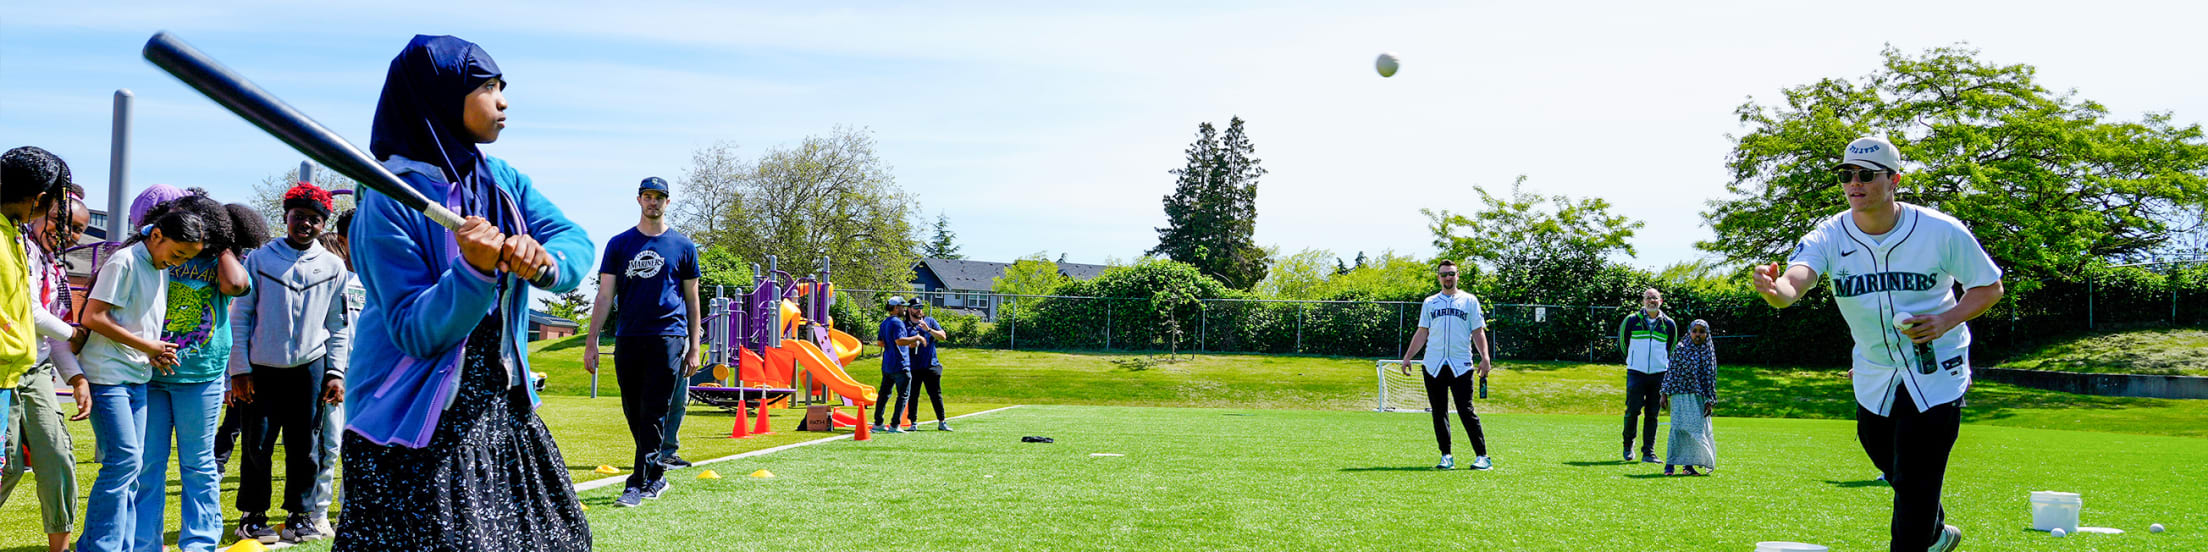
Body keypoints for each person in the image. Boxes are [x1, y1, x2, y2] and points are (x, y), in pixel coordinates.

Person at [337, 34, 593, 552]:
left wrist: (544, 261)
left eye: (503, 87)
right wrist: (475, 274)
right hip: (408, 431)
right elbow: (414, 329)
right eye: (488, 87)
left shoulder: (503, 181)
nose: (503, 101)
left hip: (500, 415)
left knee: (563, 539)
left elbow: (574, 240)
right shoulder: (388, 202)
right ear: (440, 96)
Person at [1753, 136, 2003, 552]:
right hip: (1874, 369)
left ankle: (1916, 538)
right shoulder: (1830, 234)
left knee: (1918, 476)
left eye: (1866, 175)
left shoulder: (1941, 231)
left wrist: (1945, 320)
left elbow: (1988, 287)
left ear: (1894, 180)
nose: (1855, 182)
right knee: (1889, 461)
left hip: (1937, 367)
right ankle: (1935, 532)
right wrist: (1776, 290)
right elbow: (1798, 277)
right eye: (1846, 174)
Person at [74, 207, 208, 552]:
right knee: (124, 462)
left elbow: (135, 321)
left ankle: (120, 546)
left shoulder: (159, 266)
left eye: (185, 259)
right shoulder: (124, 261)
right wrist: (148, 345)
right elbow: (93, 315)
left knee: (134, 469)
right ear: (157, 236)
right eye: (176, 254)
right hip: (108, 376)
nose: (176, 263)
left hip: (137, 376)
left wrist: (152, 352)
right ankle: (100, 548)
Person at [227, 182, 351, 544]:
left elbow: (337, 325)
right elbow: (241, 317)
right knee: (257, 444)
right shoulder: (260, 259)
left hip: (310, 367)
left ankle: (300, 515)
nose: (305, 224)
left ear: (323, 224)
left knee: (305, 446)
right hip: (262, 369)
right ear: (286, 217)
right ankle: (252, 516)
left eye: (314, 219)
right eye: (299, 217)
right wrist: (239, 369)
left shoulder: (333, 266)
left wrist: (335, 372)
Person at [138, 192, 255, 552]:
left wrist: (221, 245)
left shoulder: (219, 257)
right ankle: (144, 544)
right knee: (149, 465)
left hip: (200, 374)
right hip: (151, 374)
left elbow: (236, 285)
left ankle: (200, 543)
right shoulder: (156, 239)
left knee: (199, 464)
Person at [582, 176, 701, 509]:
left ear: (667, 202)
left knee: (653, 409)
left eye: (659, 197)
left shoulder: (683, 246)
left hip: (669, 336)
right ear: (638, 200)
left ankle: (637, 484)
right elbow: (605, 296)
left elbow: (692, 300)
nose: (653, 202)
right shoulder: (619, 244)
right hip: (629, 337)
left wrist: (694, 345)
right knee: (634, 409)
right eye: (648, 196)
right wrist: (591, 341)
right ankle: (657, 474)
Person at [0, 147, 92, 552]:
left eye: (77, 228)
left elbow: (34, 317)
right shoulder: (12, 237)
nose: (68, 232)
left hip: (29, 367)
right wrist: (73, 333)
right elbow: (31, 312)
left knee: (55, 454)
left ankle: (61, 547)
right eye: (59, 215)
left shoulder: (40, 255)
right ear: (39, 202)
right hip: (6, 370)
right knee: (8, 465)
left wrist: (74, 375)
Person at [1395, 260, 1493, 471]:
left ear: (1458, 276)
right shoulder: (1430, 302)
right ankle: (1446, 455)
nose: (1448, 277)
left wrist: (1485, 357)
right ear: (1438, 277)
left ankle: (1482, 456)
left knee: (1466, 410)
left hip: (1461, 364)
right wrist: (1408, 356)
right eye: (1444, 274)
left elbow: (1478, 331)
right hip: (1434, 364)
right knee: (1438, 411)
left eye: (1451, 273)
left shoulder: (1469, 301)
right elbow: (1422, 331)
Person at [303, 208, 360, 538]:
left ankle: (349, 511)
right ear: (343, 239)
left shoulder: (380, 276)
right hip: (335, 373)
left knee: (360, 448)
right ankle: (318, 512)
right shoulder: (334, 275)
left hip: (369, 376)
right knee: (331, 445)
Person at [1617, 288, 1676, 463]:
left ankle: (1648, 452)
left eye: (1655, 298)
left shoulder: (1669, 324)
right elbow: (1622, 343)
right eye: (1648, 298)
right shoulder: (1631, 320)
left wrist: (1663, 366)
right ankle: (1628, 446)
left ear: (1661, 301)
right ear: (1643, 301)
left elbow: (1671, 349)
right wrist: (1633, 361)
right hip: (1636, 372)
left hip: (1659, 374)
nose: (1651, 301)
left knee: (1653, 413)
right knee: (1632, 411)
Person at [1663, 319, 1717, 476]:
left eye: (1701, 331)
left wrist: (1709, 400)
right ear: (1689, 332)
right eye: (1695, 331)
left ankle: (1688, 466)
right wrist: (1664, 393)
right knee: (1678, 428)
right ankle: (1670, 465)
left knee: (1696, 430)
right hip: (1680, 394)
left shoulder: (1708, 352)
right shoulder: (1681, 349)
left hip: (1698, 397)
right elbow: (1671, 371)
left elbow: (1710, 378)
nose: (1698, 335)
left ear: (1707, 334)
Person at [872, 296, 924, 433]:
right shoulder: (898, 323)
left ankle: (878, 423)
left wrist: (907, 343)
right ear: (896, 308)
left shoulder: (885, 323)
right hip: (900, 364)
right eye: (902, 307)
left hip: (888, 364)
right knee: (903, 395)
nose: (905, 309)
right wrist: (917, 337)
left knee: (884, 395)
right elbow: (899, 341)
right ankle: (895, 425)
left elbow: (880, 343)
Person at [904, 301, 949, 431]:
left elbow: (943, 336)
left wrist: (928, 330)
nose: (919, 310)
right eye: (916, 308)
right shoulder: (905, 325)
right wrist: (911, 344)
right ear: (910, 309)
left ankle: (942, 422)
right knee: (913, 395)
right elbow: (899, 342)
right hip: (913, 366)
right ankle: (913, 423)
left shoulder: (929, 321)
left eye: (921, 307)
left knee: (935, 394)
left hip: (931, 365)